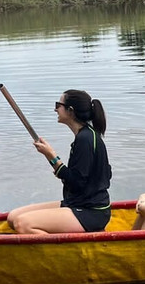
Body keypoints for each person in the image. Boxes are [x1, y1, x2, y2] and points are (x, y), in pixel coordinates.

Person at [6, 90, 112, 234]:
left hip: (90, 211)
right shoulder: (85, 135)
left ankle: (65, 247)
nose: (55, 109)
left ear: (70, 110)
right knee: (13, 217)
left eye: (58, 105)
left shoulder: (85, 139)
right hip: (77, 202)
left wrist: (51, 155)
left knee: (22, 224)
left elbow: (76, 183)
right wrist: (50, 156)